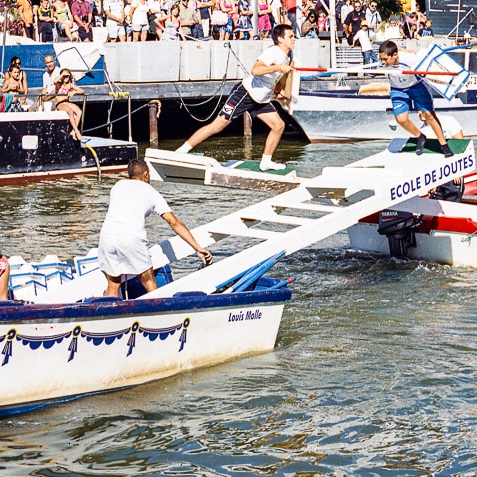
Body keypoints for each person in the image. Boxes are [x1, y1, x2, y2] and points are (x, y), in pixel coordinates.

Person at [176, 22, 296, 171]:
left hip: (261, 100)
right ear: (280, 39)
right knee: (217, 126)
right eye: (290, 36)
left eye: (294, 36)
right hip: (245, 93)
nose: (294, 39)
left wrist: (278, 90)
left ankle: (266, 161)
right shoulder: (272, 52)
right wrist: (278, 67)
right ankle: (182, 151)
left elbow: (275, 78)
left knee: (279, 125)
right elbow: (255, 70)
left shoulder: (287, 56)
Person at [99, 158, 212, 297]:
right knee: (149, 281)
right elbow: (174, 222)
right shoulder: (150, 191)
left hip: (107, 237)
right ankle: (159, 315)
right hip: (131, 237)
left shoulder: (117, 186)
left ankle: (113, 316)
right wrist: (197, 248)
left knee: (113, 283)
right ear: (146, 174)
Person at [377, 39, 450, 155]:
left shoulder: (409, 59)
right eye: (381, 59)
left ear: (395, 55)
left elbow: (425, 59)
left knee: (429, 115)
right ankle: (420, 136)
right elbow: (389, 43)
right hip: (398, 89)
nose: (383, 62)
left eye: (385, 59)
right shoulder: (382, 62)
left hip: (416, 86)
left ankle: (443, 144)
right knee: (401, 119)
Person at [48, 68, 84, 140]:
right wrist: (62, 75)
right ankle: (77, 131)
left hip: (67, 102)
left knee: (79, 112)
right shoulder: (59, 84)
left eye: (67, 76)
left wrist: (74, 92)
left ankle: (73, 131)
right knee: (70, 111)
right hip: (60, 103)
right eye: (64, 76)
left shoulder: (70, 85)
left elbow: (82, 91)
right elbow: (55, 81)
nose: (65, 78)